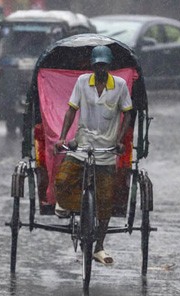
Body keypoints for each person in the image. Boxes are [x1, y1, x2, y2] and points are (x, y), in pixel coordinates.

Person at [54, 45, 133, 265]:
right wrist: (62, 137)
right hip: (83, 143)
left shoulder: (120, 85)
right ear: (93, 65)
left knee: (106, 199)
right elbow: (71, 110)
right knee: (63, 179)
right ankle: (74, 208)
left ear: (109, 66)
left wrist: (119, 141)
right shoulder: (82, 82)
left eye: (104, 65)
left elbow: (127, 114)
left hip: (106, 149)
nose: (101, 69)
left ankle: (99, 246)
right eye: (97, 65)